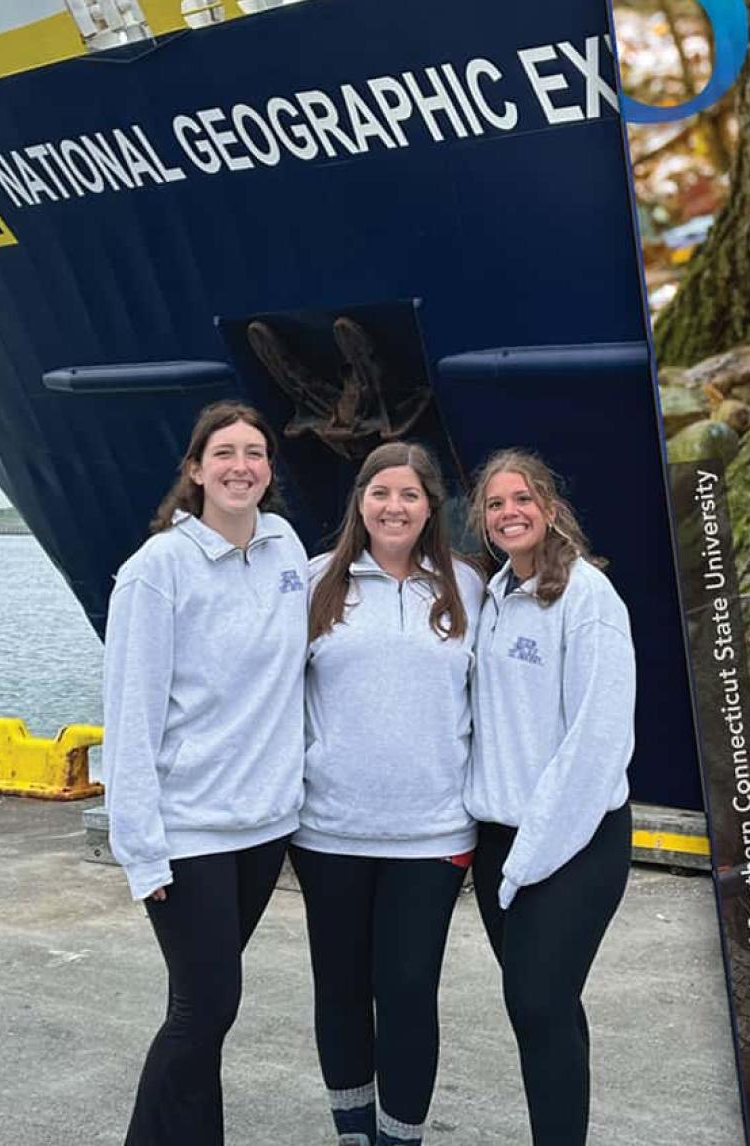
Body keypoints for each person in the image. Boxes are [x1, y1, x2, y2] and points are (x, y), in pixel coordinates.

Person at [101, 400, 309, 1143]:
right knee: (205, 1007)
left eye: (255, 453)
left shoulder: (286, 549)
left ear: (269, 471)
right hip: (189, 830)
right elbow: (130, 714)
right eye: (223, 453)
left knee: (205, 1012)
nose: (240, 467)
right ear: (195, 470)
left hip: (264, 827)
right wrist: (140, 847)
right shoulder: (157, 571)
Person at [290, 441, 484, 1146]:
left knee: (407, 992)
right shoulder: (314, 583)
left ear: (431, 507)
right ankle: (353, 1135)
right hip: (329, 831)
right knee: (340, 988)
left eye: (409, 495)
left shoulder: (468, 587)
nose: (393, 507)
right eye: (380, 493)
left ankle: (400, 1139)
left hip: (432, 835)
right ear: (360, 502)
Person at [464, 449, 636, 1144]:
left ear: (551, 508)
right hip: (500, 841)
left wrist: (534, 850)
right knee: (548, 1008)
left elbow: (597, 739)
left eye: (522, 499)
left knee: (536, 1003)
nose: (509, 513)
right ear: (482, 519)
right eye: (495, 504)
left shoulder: (588, 598)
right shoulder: (492, 598)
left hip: (576, 837)